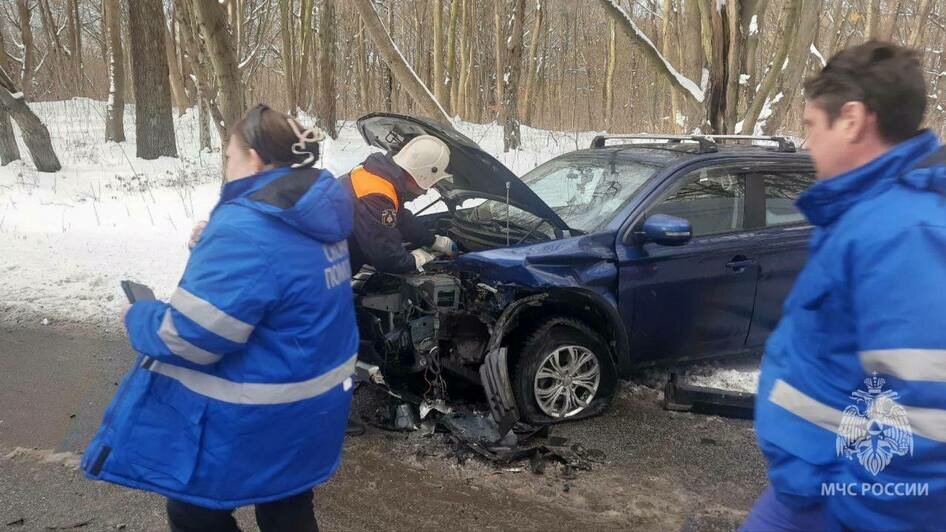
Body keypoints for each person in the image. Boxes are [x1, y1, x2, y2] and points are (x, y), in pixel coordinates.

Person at [82, 104, 357, 531]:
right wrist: (211, 247)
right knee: (286, 506)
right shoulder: (316, 212)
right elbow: (279, 286)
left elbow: (191, 338)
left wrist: (138, 316)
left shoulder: (247, 227)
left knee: (194, 511)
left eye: (228, 156)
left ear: (256, 158)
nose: (225, 166)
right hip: (307, 411)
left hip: (254, 418)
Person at [743, 41, 946, 531]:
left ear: (852, 120)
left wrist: (855, 511)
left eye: (812, 126)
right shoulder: (868, 216)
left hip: (843, 507)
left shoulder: (901, 232)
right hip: (812, 489)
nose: (808, 143)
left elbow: (928, 408)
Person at [339, 134, 458, 274]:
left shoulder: (379, 177)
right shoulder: (375, 196)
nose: (425, 192)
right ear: (421, 175)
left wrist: (433, 241)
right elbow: (387, 259)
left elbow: (400, 218)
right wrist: (416, 259)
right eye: (429, 185)